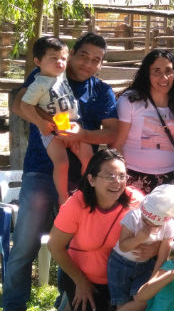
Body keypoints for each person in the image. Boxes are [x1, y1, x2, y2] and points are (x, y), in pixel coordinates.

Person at [5, 32, 119, 311]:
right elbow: (20, 105)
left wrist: (83, 134)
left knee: (74, 247)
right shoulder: (47, 73)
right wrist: (50, 124)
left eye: (96, 60)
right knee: (24, 246)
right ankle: (12, 305)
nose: (88, 64)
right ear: (73, 53)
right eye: (84, 56)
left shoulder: (101, 91)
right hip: (40, 171)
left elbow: (112, 132)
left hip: (83, 181)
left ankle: (65, 304)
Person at [47, 149, 144, 311]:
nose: (117, 182)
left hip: (125, 279)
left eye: (122, 176)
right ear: (91, 180)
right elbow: (54, 246)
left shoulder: (136, 201)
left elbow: (161, 232)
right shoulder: (76, 204)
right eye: (109, 176)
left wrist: (152, 248)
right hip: (84, 278)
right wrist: (80, 282)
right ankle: (68, 299)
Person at [19, 36, 91, 205]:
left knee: (88, 157)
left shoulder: (61, 74)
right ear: (37, 61)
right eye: (53, 58)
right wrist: (40, 122)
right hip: (51, 131)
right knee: (61, 163)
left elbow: (69, 58)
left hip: (71, 125)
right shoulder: (38, 84)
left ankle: (86, 190)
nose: (59, 62)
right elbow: (24, 105)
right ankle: (62, 196)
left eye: (63, 59)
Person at [113, 49, 174, 194]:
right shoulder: (131, 100)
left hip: (171, 179)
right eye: (156, 71)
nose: (164, 77)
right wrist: (120, 179)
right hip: (134, 178)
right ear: (147, 74)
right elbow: (118, 144)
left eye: (168, 71)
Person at [107, 184, 174, 309]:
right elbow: (123, 246)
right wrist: (138, 239)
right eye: (145, 219)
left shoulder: (168, 224)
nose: (146, 224)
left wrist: (152, 282)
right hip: (120, 264)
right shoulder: (133, 217)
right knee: (121, 300)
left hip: (145, 266)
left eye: (153, 224)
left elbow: (162, 257)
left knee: (142, 299)